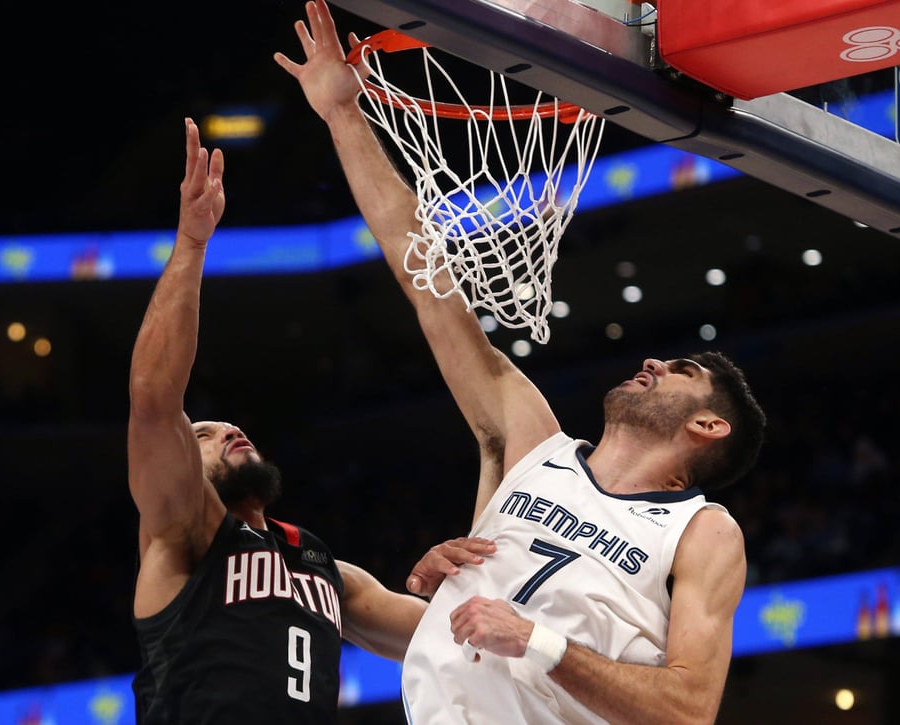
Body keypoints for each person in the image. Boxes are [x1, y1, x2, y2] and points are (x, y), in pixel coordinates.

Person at [276, 3, 768, 722]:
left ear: (708, 426)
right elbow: (431, 288)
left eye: (685, 371)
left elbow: (689, 708)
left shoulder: (700, 529)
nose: (656, 360)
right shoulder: (532, 445)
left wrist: (536, 640)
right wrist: (343, 114)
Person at [127, 117, 495, 724]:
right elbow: (153, 399)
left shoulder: (321, 565)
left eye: (226, 426)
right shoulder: (182, 536)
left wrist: (460, 580)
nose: (225, 432)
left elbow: (456, 635)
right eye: (203, 434)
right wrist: (192, 245)